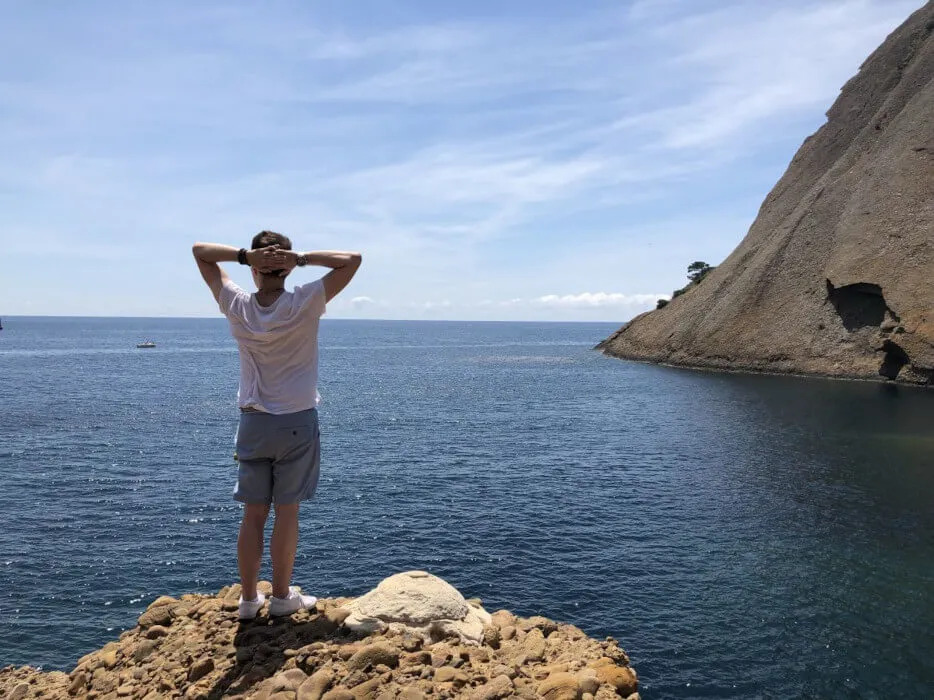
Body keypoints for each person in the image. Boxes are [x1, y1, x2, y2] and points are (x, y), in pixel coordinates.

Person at [192, 231, 362, 619]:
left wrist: (242, 255)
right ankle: (283, 597)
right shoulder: (305, 301)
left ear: (255, 270)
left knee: (253, 514)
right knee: (287, 513)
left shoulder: (236, 303)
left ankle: (249, 601)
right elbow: (351, 259)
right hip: (297, 423)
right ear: (285, 267)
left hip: (254, 422)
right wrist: (298, 258)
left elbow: (200, 253)